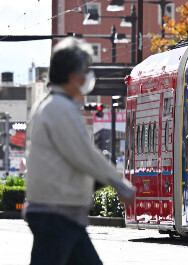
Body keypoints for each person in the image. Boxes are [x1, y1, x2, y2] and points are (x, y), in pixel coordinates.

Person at [24, 37, 135, 265]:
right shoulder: (60, 109)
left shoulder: (50, 104)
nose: (89, 76)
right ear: (73, 76)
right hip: (55, 213)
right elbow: (84, 154)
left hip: (62, 214)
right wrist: (119, 183)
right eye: (86, 70)